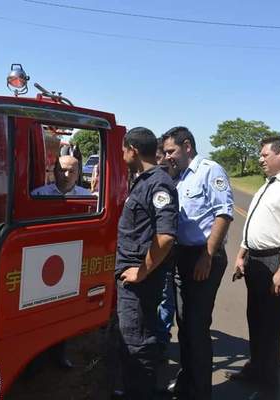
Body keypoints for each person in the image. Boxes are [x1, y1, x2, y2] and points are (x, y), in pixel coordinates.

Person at [228, 136, 280, 400]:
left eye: (265, 155)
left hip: (276, 261)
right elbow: (253, 221)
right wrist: (242, 253)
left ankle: (269, 385)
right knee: (255, 317)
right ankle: (256, 368)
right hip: (254, 259)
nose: (260, 159)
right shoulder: (269, 184)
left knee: (272, 324)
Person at [162, 126, 234, 400]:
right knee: (185, 324)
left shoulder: (209, 170)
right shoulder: (179, 176)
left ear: (187, 146)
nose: (168, 156)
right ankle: (187, 379)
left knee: (197, 326)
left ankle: (201, 391)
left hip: (204, 256)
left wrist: (208, 255)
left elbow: (223, 214)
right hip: (182, 256)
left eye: (171, 151)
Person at [115, 127, 178, 399]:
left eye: (123, 149)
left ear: (133, 149)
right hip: (132, 275)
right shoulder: (144, 179)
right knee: (132, 338)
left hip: (140, 279)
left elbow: (165, 237)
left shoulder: (158, 183)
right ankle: (134, 389)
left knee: (138, 340)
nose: (122, 154)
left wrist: (141, 272)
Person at [155, 138, 179, 349]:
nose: (159, 161)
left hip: (167, 252)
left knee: (165, 298)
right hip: (148, 251)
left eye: (161, 156)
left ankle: (161, 341)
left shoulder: (173, 182)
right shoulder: (146, 179)